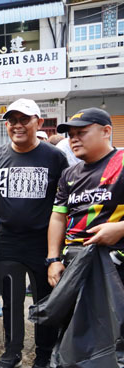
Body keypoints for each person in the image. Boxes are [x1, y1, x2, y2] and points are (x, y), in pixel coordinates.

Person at [0, 98, 69, 368]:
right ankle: (12, 351)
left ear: (38, 123)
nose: (17, 126)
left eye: (24, 120)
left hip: (43, 242)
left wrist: (57, 250)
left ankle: (44, 354)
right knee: (11, 299)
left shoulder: (54, 157)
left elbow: (63, 203)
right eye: (12, 121)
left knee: (45, 300)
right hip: (8, 241)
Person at [47, 107, 124, 287]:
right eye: (71, 134)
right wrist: (53, 259)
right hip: (74, 264)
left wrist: (120, 228)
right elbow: (58, 217)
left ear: (106, 132)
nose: (74, 139)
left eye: (81, 132)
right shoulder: (69, 174)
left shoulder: (121, 163)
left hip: (115, 265)